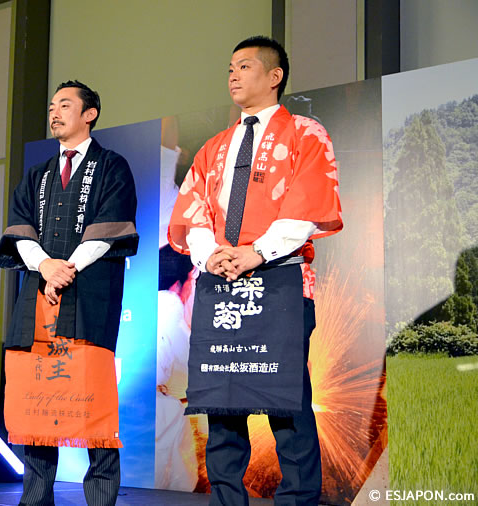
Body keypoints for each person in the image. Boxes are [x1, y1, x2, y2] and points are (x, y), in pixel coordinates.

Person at [168, 36, 342, 505]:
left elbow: (309, 202)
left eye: (244, 66)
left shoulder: (305, 133)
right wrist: (210, 255)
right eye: (230, 67)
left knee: (286, 400)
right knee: (222, 403)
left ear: (274, 75)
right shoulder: (215, 146)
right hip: (222, 283)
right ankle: (227, 499)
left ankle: (298, 499)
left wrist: (257, 252)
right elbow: (194, 210)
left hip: (281, 280)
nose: (233, 75)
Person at [0, 80, 138, 506]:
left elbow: (110, 229)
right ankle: (35, 499)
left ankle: (101, 499)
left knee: (94, 405)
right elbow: (19, 229)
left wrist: (65, 268)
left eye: (65, 105)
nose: (54, 113)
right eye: (52, 106)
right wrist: (45, 267)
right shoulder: (37, 174)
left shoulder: (111, 166)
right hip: (40, 296)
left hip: (89, 296)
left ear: (90, 114)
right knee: (38, 404)